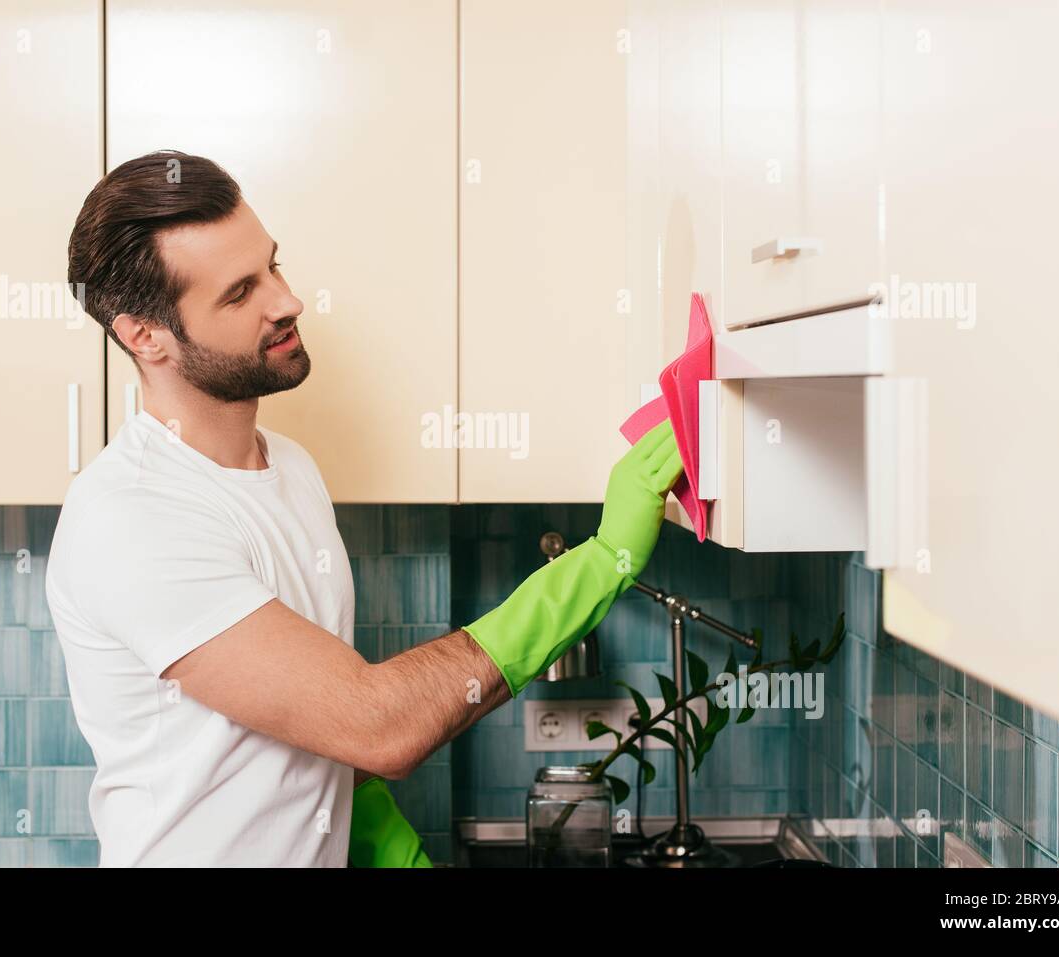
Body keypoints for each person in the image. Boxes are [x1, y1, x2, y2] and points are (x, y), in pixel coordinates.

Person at [46, 150, 684, 866]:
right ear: (144, 335)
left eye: (274, 267)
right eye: (239, 293)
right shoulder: (132, 516)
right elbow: (375, 723)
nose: (287, 302)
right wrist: (600, 564)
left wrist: (385, 843)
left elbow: (311, 718)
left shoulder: (289, 467)